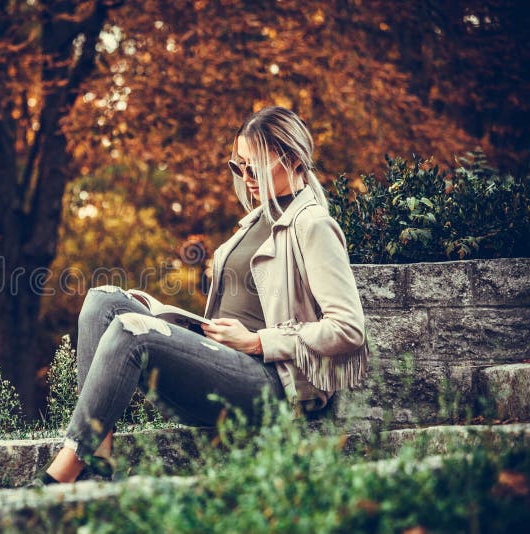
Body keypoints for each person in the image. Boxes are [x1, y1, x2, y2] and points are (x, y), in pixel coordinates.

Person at [26, 106, 369, 486]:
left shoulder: (312, 224)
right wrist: (173, 320)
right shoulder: (255, 222)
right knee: (102, 301)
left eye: (253, 168)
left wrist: (258, 342)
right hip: (223, 365)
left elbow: (348, 328)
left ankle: (62, 475)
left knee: (129, 329)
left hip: (269, 385)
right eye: (238, 167)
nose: (246, 178)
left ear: (289, 159)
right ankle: (99, 464)